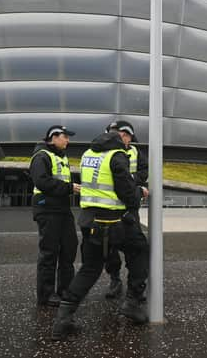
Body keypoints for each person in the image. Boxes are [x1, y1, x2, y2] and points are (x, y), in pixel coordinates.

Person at [52, 130, 150, 340]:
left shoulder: (89, 153)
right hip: (112, 222)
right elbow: (127, 193)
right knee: (140, 249)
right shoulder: (116, 156)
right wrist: (139, 192)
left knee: (90, 268)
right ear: (118, 143)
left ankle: (62, 320)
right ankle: (133, 301)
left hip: (89, 221)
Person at [29, 125, 81, 308]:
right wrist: (69, 188)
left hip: (62, 209)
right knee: (49, 253)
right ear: (54, 137)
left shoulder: (61, 156)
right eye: (65, 137)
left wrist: (71, 187)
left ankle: (65, 290)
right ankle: (46, 295)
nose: (68, 140)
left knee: (69, 248)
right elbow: (41, 181)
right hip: (47, 209)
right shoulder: (41, 156)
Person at [103, 121, 148, 299]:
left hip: (129, 209)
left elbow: (144, 172)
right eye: (119, 133)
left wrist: (129, 178)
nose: (123, 137)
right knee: (109, 249)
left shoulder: (136, 152)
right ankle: (115, 280)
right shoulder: (103, 153)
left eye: (126, 134)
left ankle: (134, 287)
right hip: (110, 209)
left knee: (135, 249)